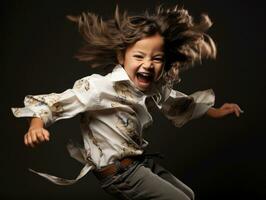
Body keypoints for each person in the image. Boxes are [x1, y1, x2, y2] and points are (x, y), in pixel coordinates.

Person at [11, 5, 243, 200]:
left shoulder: (155, 87)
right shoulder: (100, 86)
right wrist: (36, 126)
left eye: (157, 58)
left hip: (138, 164)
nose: (148, 64)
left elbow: (178, 103)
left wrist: (216, 111)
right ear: (122, 57)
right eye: (139, 56)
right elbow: (53, 103)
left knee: (188, 195)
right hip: (118, 174)